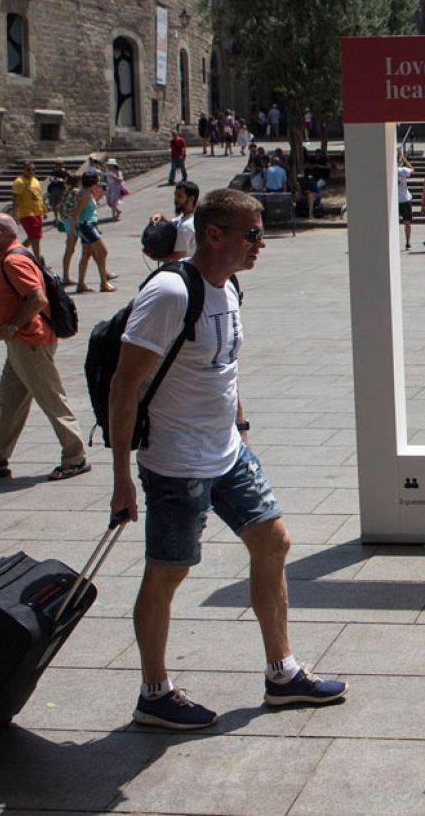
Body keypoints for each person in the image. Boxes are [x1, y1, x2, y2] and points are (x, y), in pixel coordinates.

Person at [109, 189, 348, 730]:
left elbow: (223, 364)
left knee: (273, 541)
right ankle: (154, 692)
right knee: (168, 572)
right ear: (214, 235)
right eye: (253, 234)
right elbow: (124, 387)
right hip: (175, 461)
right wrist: (122, 478)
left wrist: (238, 421)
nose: (261, 244)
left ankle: (283, 674)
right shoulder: (171, 293)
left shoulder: (229, 286)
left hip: (227, 451)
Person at [0, 213, 88, 482]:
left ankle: (75, 457)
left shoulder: (13, 260)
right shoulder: (6, 259)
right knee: (9, 400)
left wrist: (12, 326)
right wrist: (5, 327)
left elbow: (37, 298)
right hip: (19, 343)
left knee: (51, 398)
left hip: (31, 343)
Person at [71, 172, 117, 293]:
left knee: (86, 255)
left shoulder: (84, 192)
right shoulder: (85, 195)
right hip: (87, 226)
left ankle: (81, 284)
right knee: (102, 252)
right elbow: (76, 213)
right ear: (93, 182)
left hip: (87, 224)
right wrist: (71, 234)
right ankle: (103, 283)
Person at [11, 161, 46, 262]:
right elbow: (16, 198)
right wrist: (15, 213)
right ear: (23, 170)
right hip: (27, 213)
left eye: (33, 169)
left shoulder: (35, 180)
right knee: (35, 237)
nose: (31, 171)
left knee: (33, 237)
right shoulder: (19, 182)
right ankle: (38, 259)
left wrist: (44, 209)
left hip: (37, 212)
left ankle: (15, 253)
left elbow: (39, 196)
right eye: (28, 169)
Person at [396, 153, 415, 252]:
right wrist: (405, 160)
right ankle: (408, 242)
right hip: (405, 199)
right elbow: (412, 169)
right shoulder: (402, 170)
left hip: (394, 201)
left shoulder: (389, 171)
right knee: (407, 222)